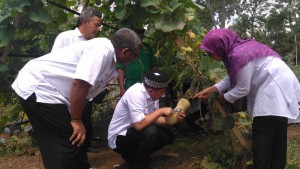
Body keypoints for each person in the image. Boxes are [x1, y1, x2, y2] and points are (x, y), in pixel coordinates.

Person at [11, 28, 141, 169]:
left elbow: (87, 93)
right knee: (66, 142)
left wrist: (78, 120)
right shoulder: (102, 49)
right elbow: (80, 83)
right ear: (125, 52)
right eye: (136, 55)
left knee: (72, 139)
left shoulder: (111, 62)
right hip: (40, 86)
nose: (135, 59)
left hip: (53, 92)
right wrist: (75, 119)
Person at [194, 28, 300, 169]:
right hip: (279, 86)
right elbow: (235, 75)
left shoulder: (238, 55)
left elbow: (243, 89)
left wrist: (223, 98)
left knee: (263, 138)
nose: (210, 56)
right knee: (277, 139)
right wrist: (213, 88)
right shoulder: (241, 49)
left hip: (273, 91)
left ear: (219, 47)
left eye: (210, 53)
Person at [108, 70, 186, 169]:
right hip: (119, 137)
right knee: (151, 131)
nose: (162, 94)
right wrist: (161, 111)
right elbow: (139, 125)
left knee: (168, 135)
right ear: (150, 90)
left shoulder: (153, 95)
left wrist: (174, 120)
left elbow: (154, 119)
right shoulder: (136, 94)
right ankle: (139, 165)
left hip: (133, 133)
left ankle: (134, 156)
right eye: (162, 92)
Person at [51, 6, 104, 151]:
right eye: (96, 24)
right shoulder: (66, 37)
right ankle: (72, 152)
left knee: (84, 119)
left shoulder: (93, 43)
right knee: (70, 122)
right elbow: (55, 62)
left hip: (84, 91)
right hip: (67, 90)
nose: (98, 28)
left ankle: (83, 149)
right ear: (85, 21)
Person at [117, 28, 158, 97]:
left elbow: (154, 66)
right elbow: (121, 69)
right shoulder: (125, 49)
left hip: (147, 86)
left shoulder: (147, 47)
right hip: (131, 85)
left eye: (141, 33)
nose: (139, 35)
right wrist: (122, 88)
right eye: (137, 33)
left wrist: (155, 83)